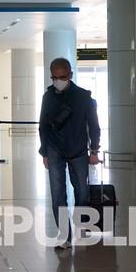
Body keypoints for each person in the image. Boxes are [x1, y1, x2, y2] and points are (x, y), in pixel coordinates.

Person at [38, 57, 101, 250]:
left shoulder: (83, 97)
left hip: (79, 150)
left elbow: (94, 125)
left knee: (82, 191)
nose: (58, 80)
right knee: (58, 194)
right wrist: (45, 152)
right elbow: (43, 126)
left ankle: (81, 225)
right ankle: (64, 236)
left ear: (70, 75)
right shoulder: (48, 97)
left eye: (62, 77)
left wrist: (94, 149)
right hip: (55, 150)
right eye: (54, 77)